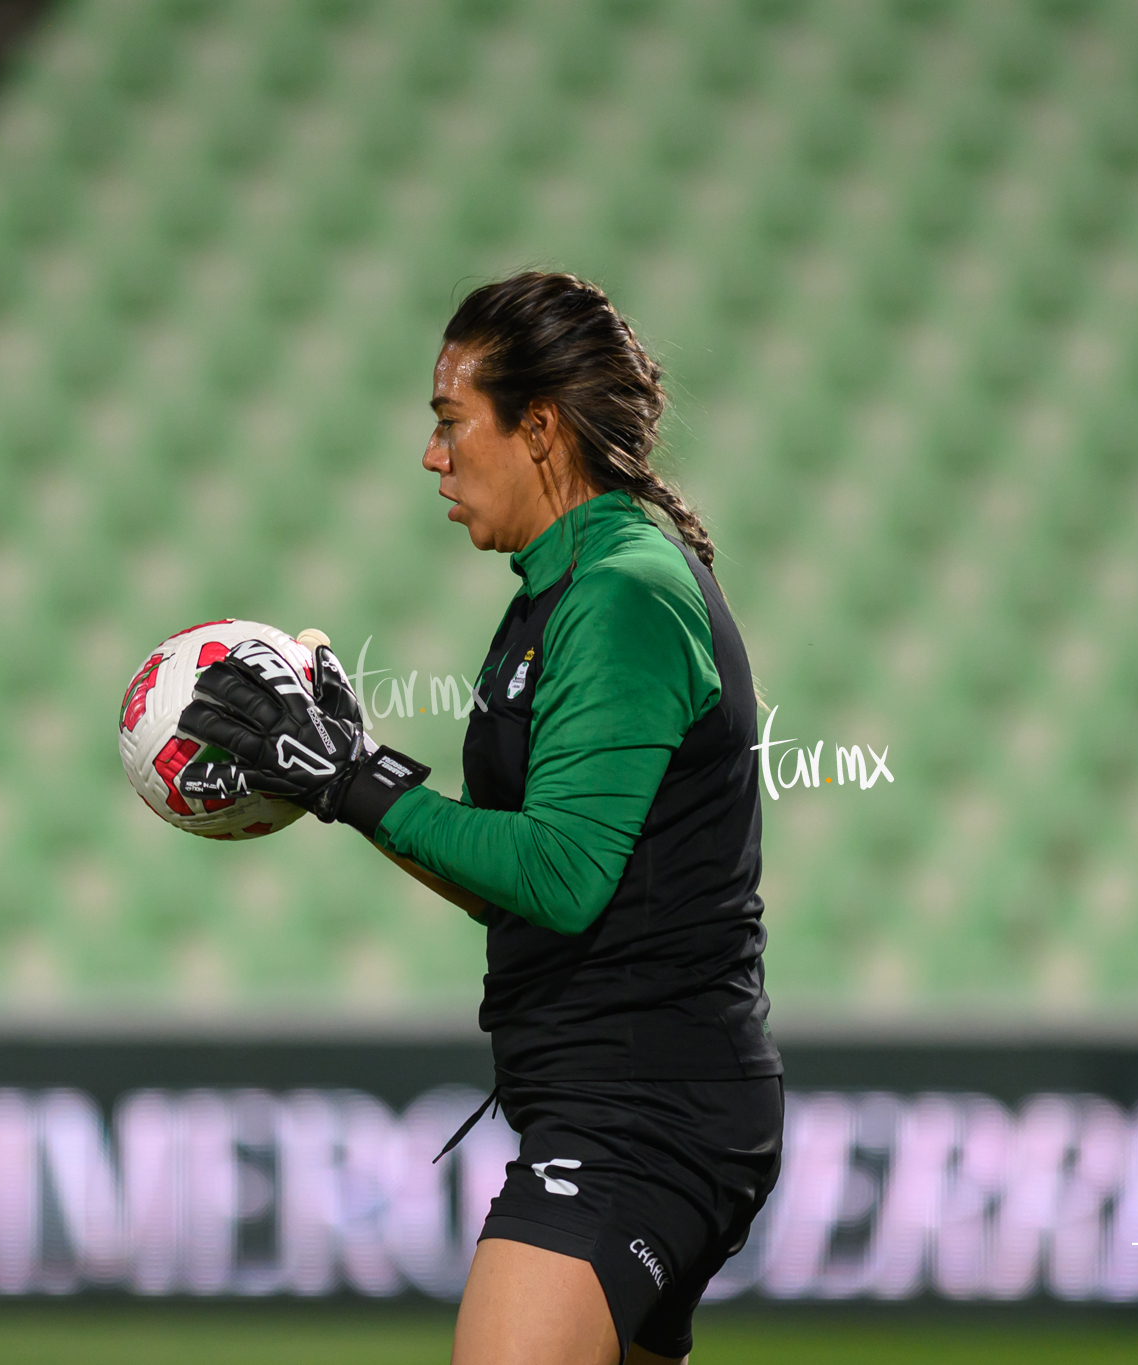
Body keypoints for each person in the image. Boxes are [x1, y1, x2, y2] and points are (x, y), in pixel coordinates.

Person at [177, 271, 782, 1365]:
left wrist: (357, 780)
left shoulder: (620, 594)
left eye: (450, 421)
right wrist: (346, 786)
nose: (432, 455)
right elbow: (521, 889)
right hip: (621, 1100)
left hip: (638, 1113)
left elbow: (559, 874)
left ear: (538, 428)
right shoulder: (560, 592)